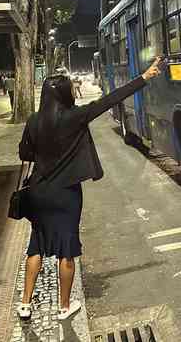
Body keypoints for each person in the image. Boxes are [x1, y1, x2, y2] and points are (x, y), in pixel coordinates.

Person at [15, 57, 164, 321]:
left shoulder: (34, 120)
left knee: (35, 245)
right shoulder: (76, 116)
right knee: (67, 249)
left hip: (38, 191)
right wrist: (144, 77)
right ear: (63, 94)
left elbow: (24, 152)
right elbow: (110, 100)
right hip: (66, 193)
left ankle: (24, 304)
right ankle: (63, 306)